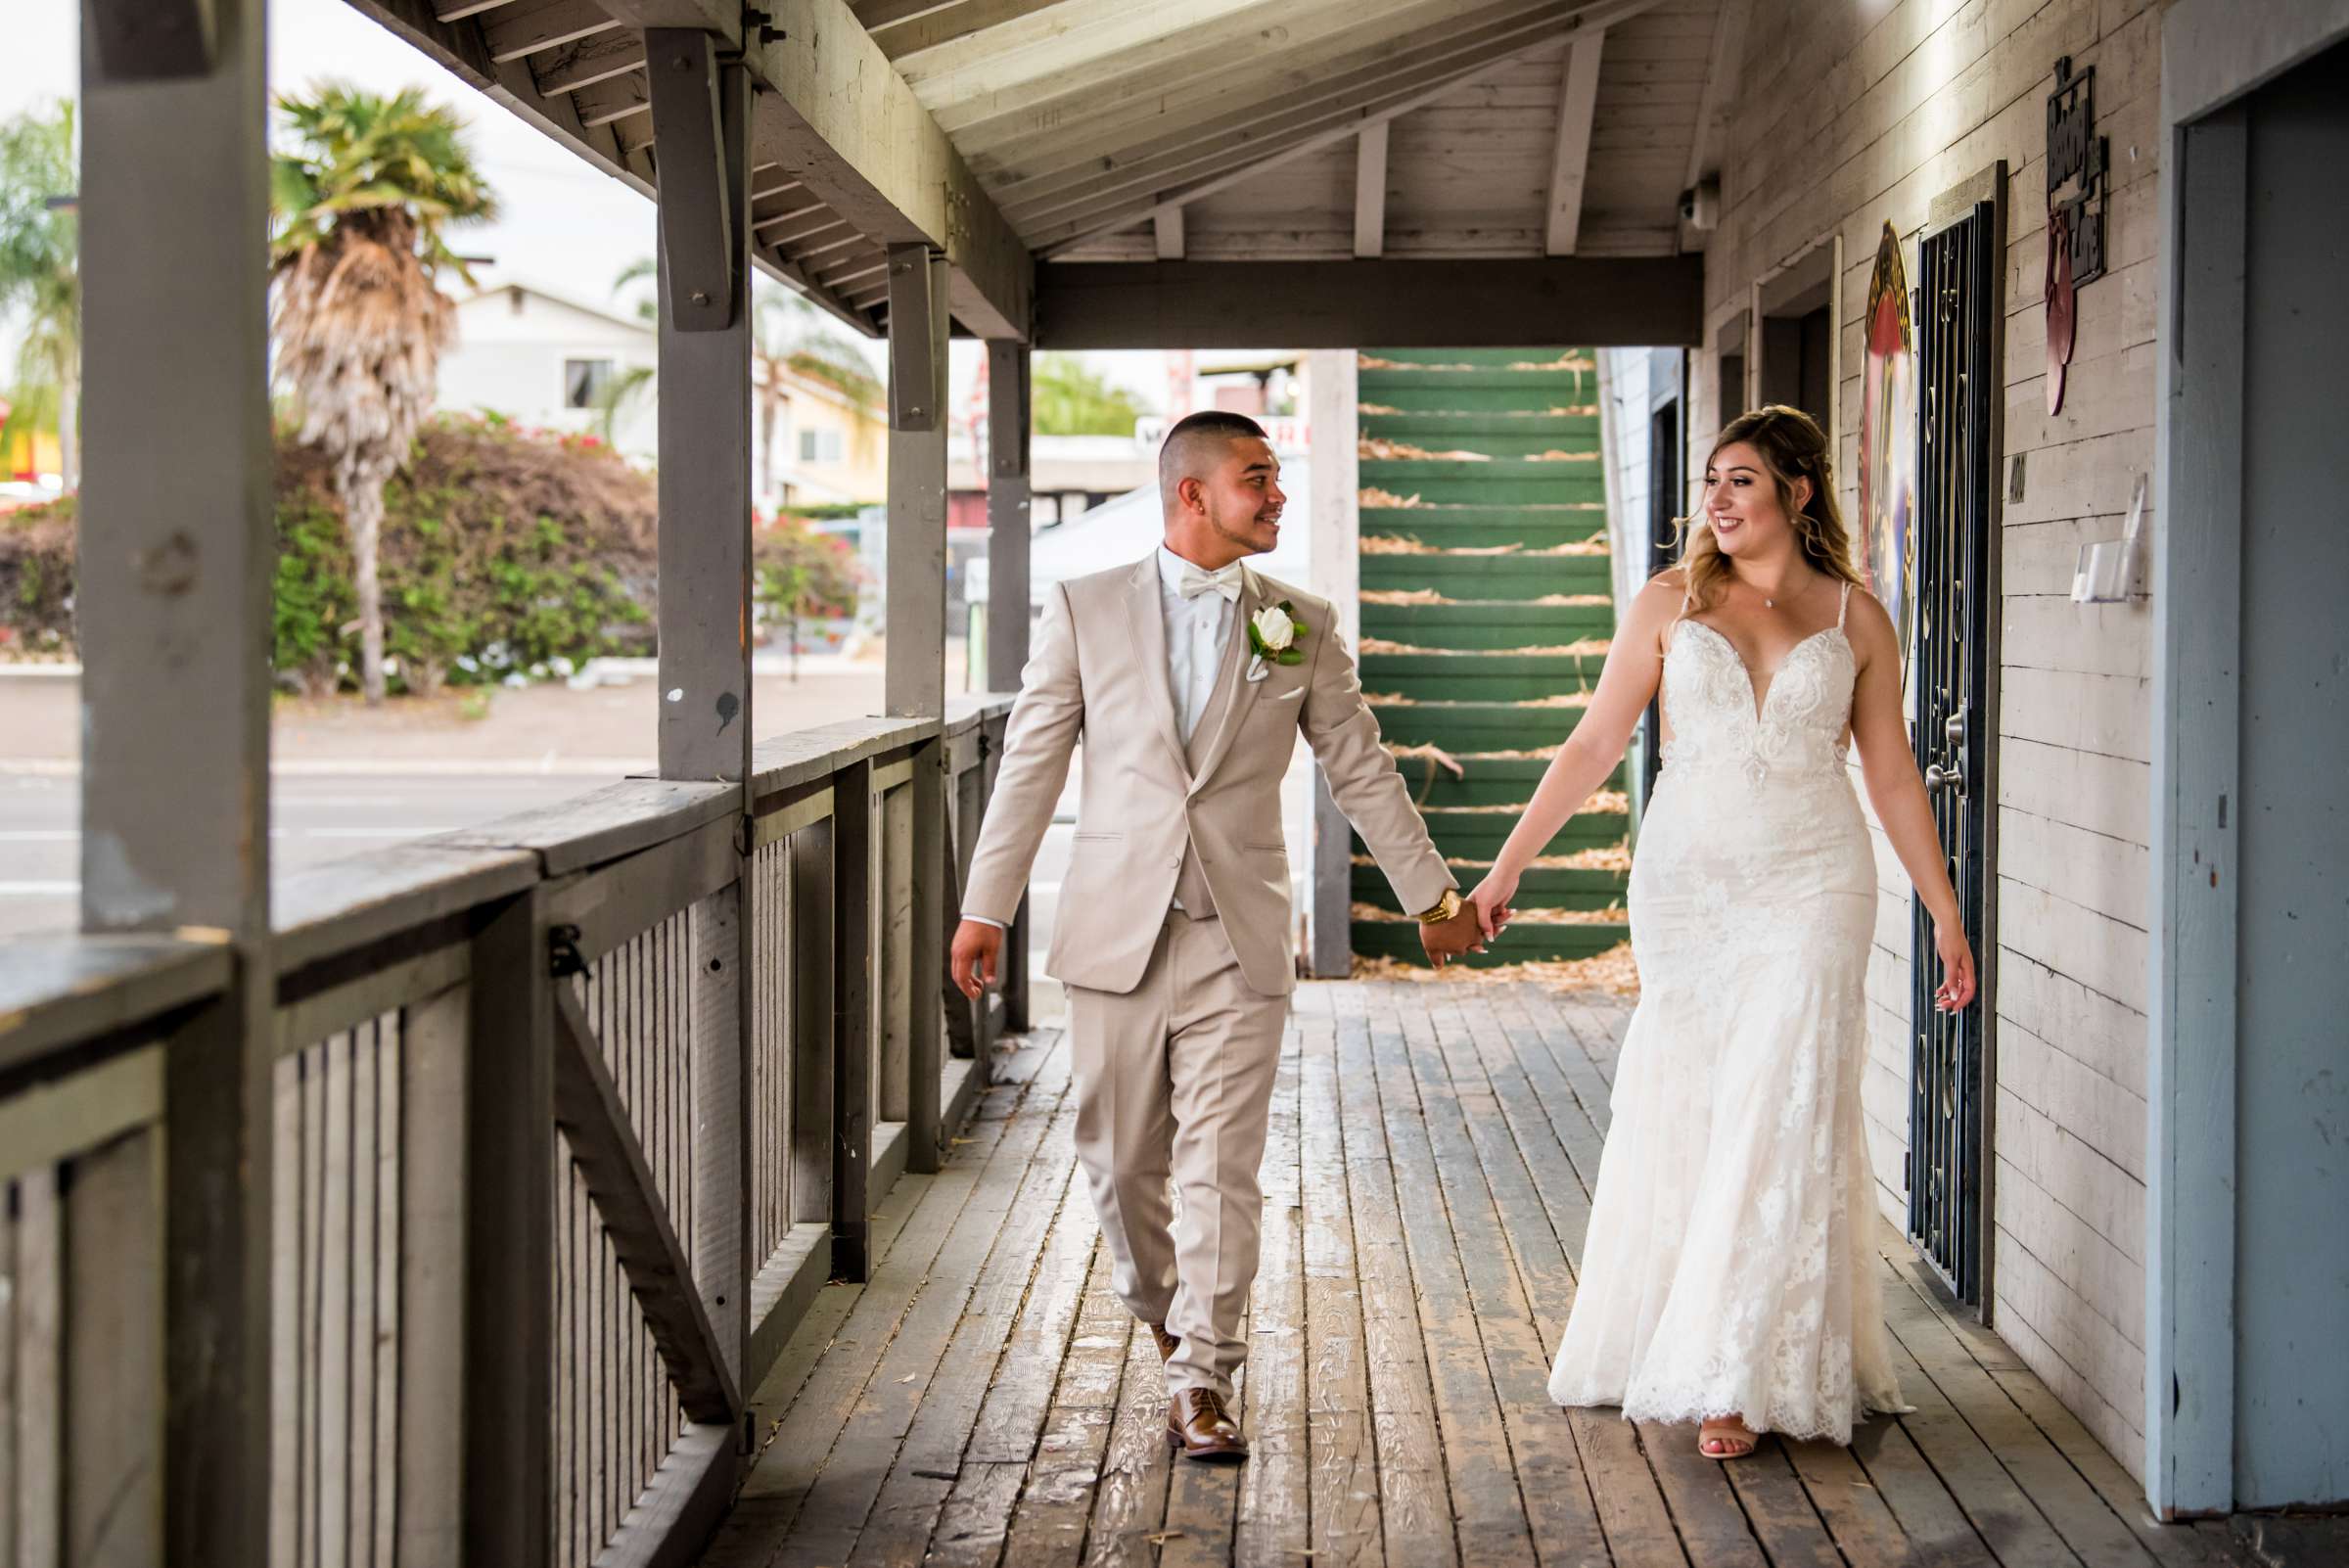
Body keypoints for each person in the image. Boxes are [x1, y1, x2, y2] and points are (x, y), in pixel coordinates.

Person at [950, 410, 1488, 1462]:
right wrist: (986, 904)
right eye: (1258, 478)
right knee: (1115, 1161)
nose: (1277, 495)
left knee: (1222, 1168)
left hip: (1239, 935)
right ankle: (1164, 1311)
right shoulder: (1083, 607)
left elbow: (1361, 767)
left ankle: (1203, 1374)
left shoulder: (1301, 621)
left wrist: (1433, 896)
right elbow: (1031, 763)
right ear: (1191, 493)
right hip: (1116, 932)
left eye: (1279, 477)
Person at [1467, 404, 1976, 1459]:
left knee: (1778, 1104)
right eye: (1710, 481)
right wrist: (1509, 861)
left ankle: (1735, 1374)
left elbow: (1889, 772)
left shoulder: (1856, 618)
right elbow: (1598, 738)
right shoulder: (1669, 599)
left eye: (1740, 480)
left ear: (1797, 491)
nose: (1717, 499)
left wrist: (1944, 909)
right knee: (1699, 1100)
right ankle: (1688, 1331)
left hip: (1815, 882)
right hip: (1690, 886)